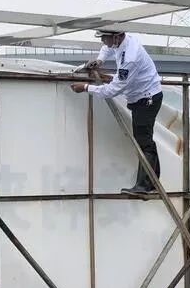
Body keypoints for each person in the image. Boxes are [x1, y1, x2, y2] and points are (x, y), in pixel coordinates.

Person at [70, 28, 163, 196]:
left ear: (116, 37)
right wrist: (99, 60)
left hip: (147, 98)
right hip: (140, 96)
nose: (102, 41)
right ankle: (152, 182)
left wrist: (85, 87)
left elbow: (113, 90)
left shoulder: (131, 57)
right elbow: (107, 49)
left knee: (144, 141)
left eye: (104, 37)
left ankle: (145, 186)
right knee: (144, 140)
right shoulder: (121, 42)